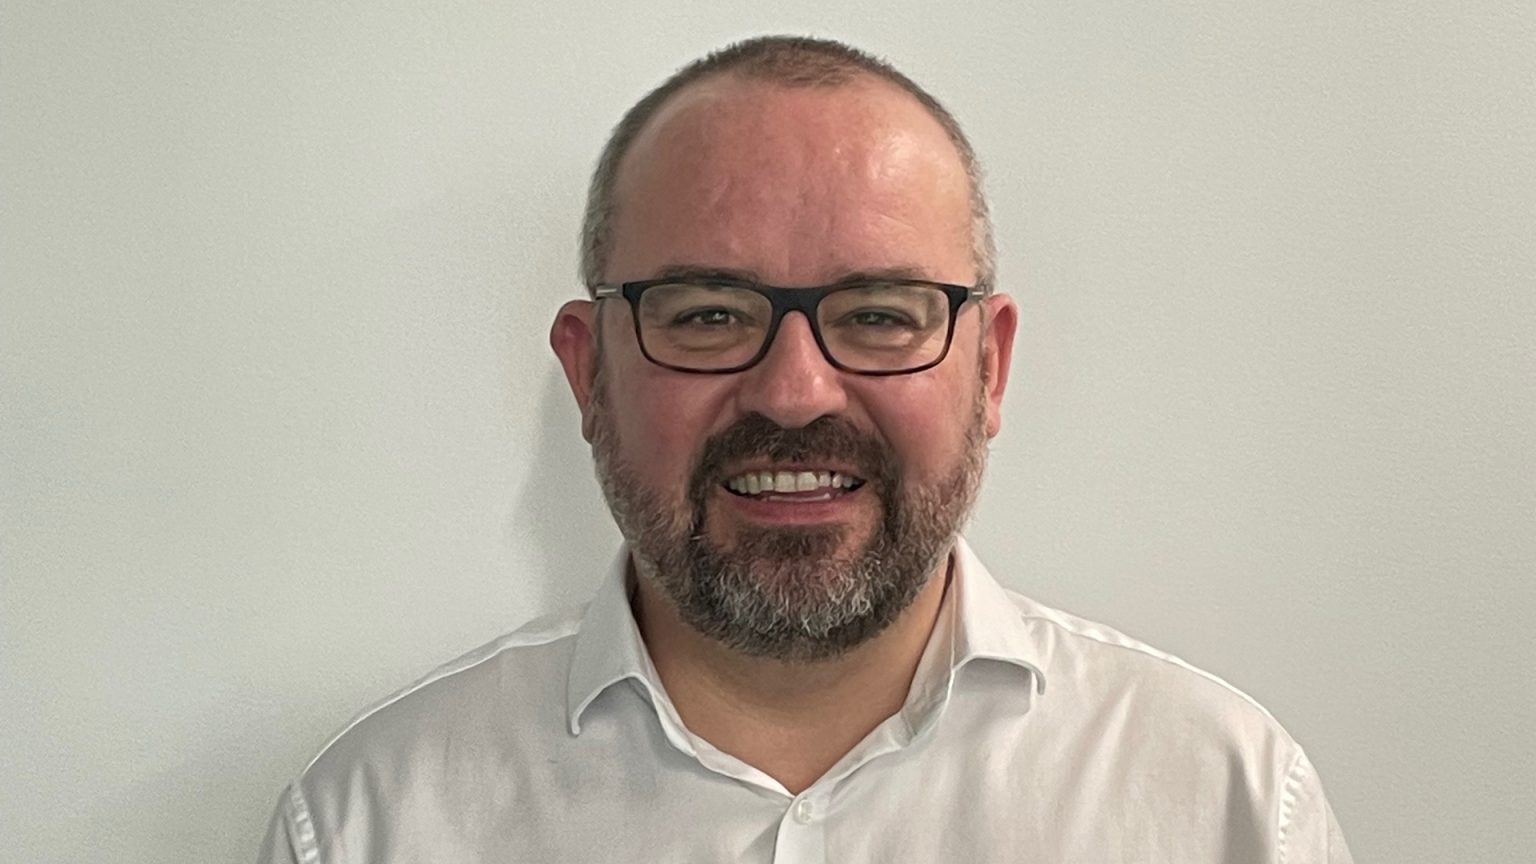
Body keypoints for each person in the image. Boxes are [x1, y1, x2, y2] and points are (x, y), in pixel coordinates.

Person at [259, 35, 1353, 863]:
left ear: (990, 368)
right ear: (589, 373)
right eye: (708, 315)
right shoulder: (372, 825)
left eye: (879, 315)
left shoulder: (1228, 808)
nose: (793, 393)